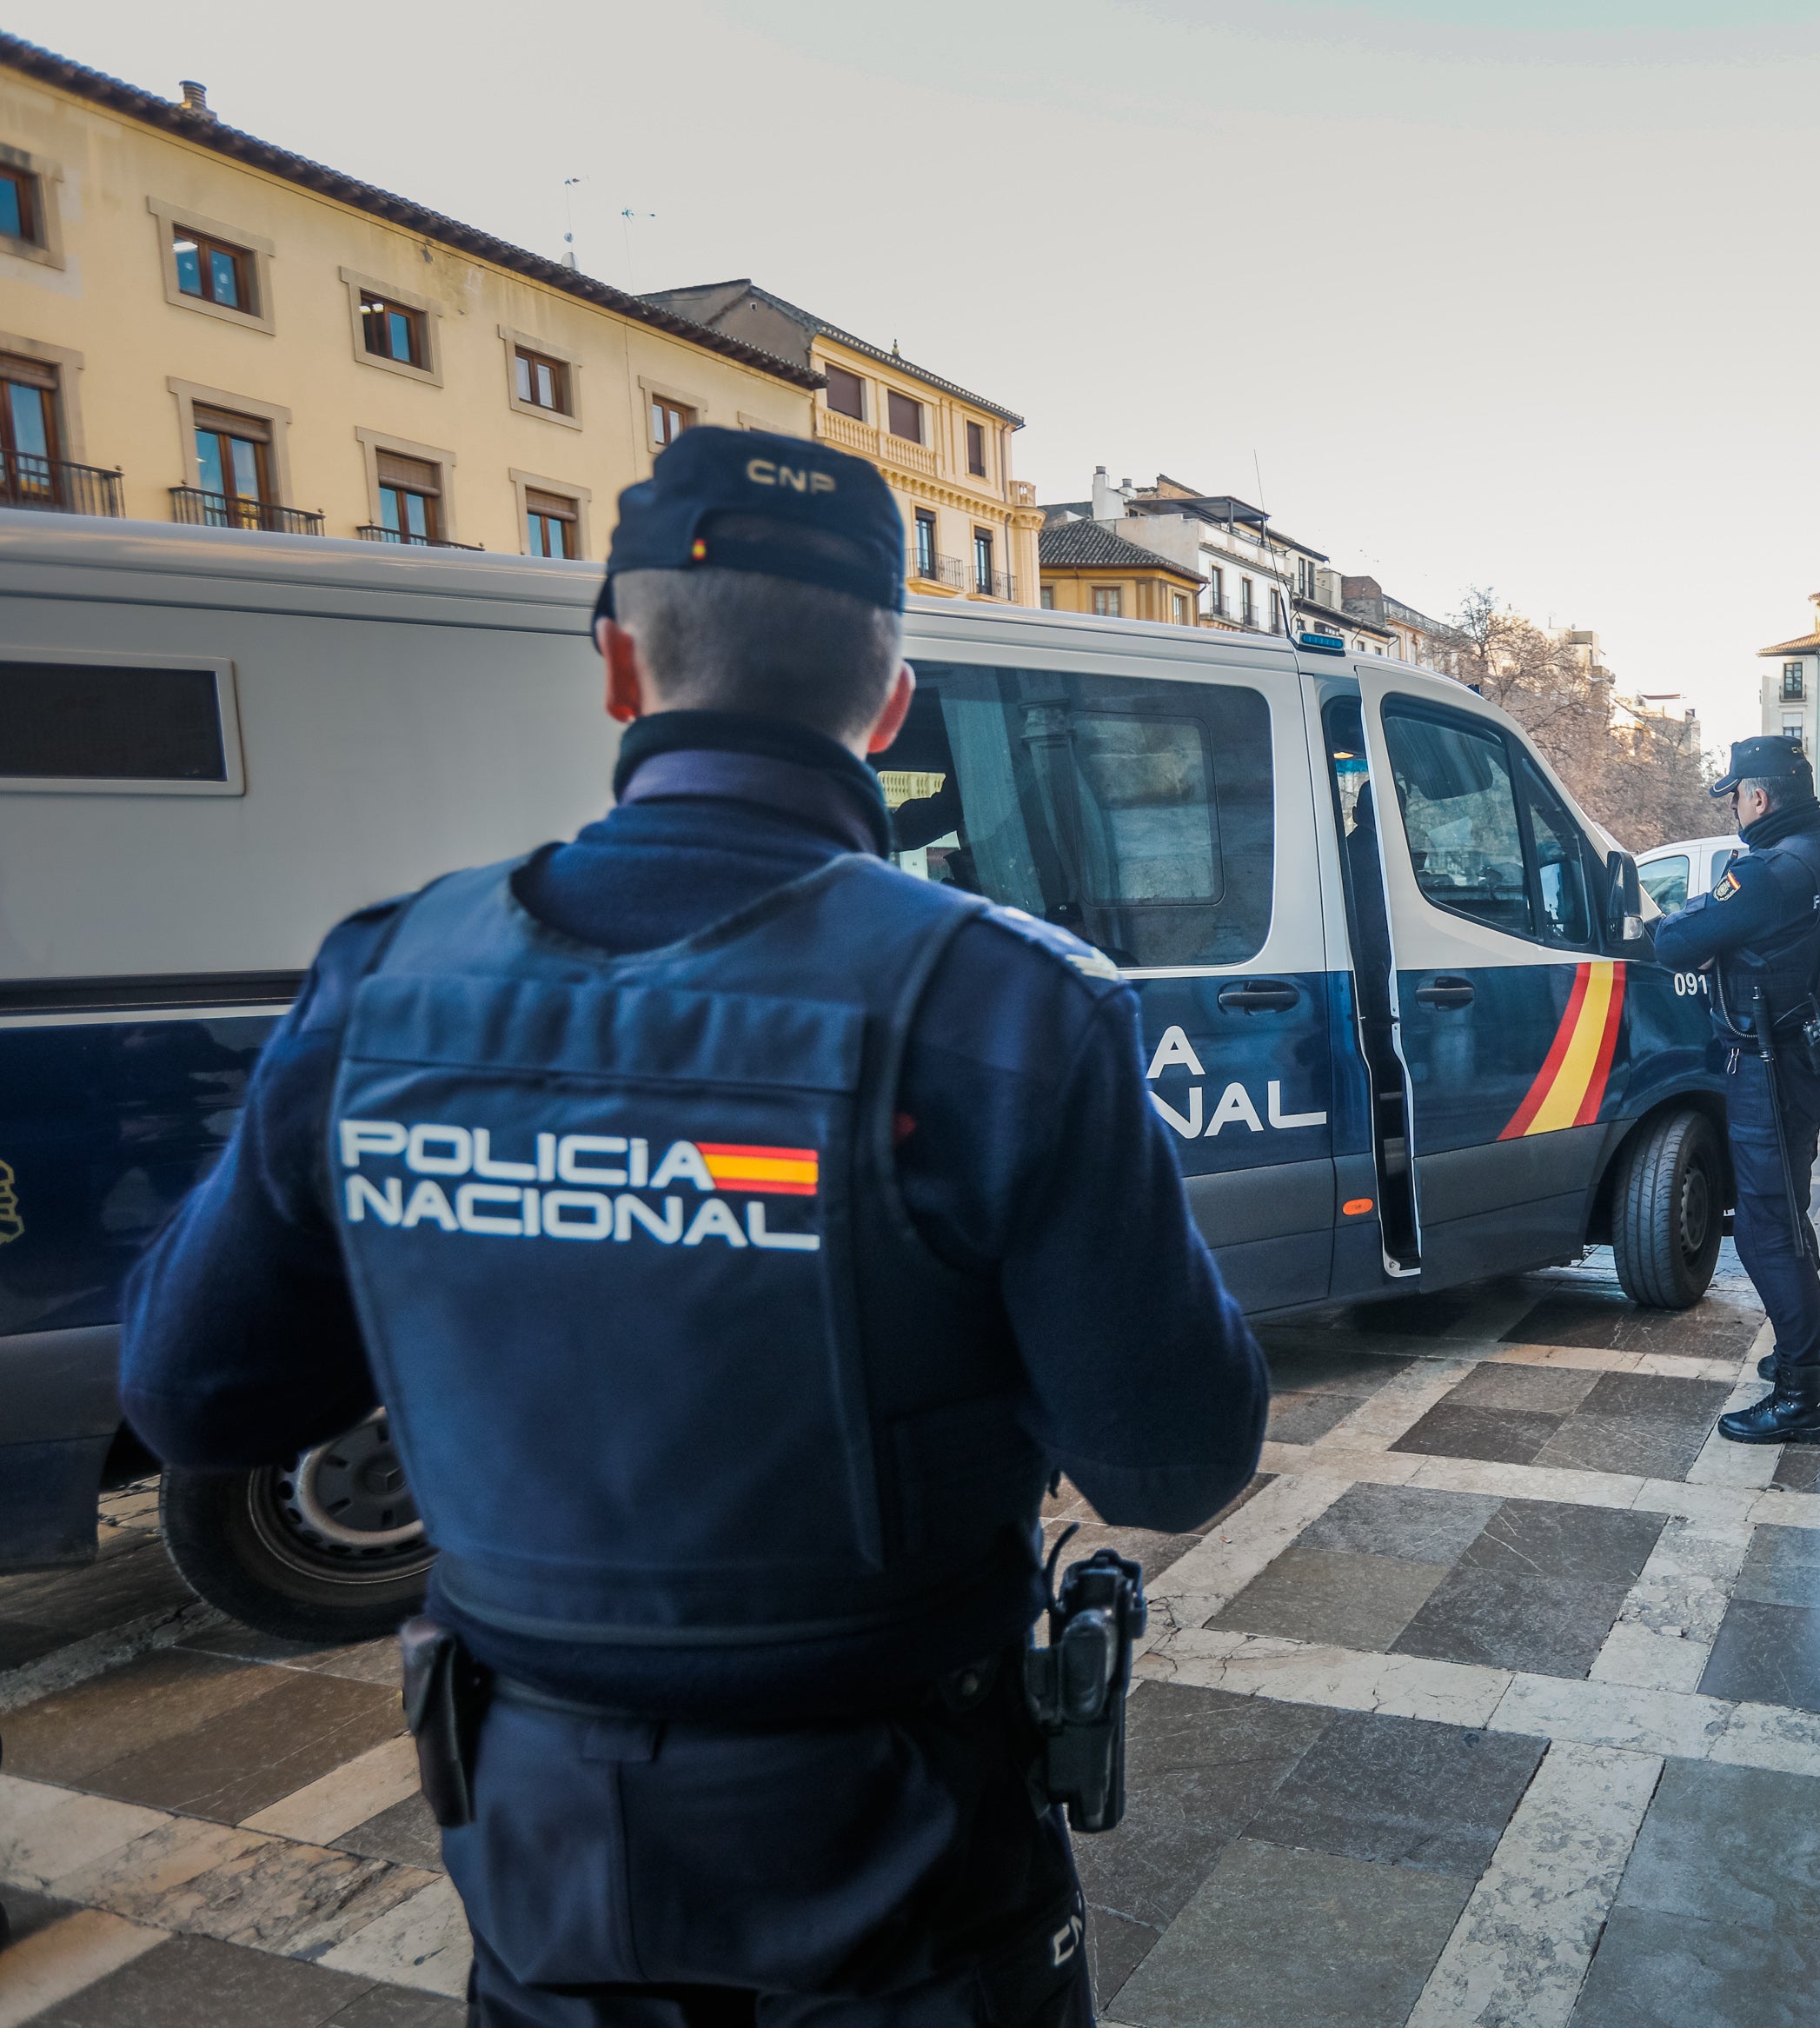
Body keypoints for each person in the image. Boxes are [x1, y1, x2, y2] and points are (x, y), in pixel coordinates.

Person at [117, 428, 1269, 2026]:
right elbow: (1171, 1458)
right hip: (902, 1843)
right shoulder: (1009, 1003)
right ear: (888, 704)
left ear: (616, 669)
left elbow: (192, 1398)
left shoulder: (385, 978)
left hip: (538, 1833)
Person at [1648, 733, 1820, 1446]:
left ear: (1760, 797)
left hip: (1767, 1069)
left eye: (1736, 794)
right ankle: (1810, 1341)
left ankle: (1801, 1394)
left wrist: (1681, 911)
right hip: (1808, 1061)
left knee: (1767, 1230)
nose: (1735, 806)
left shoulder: (1770, 871)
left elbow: (1677, 941)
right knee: (1788, 1211)